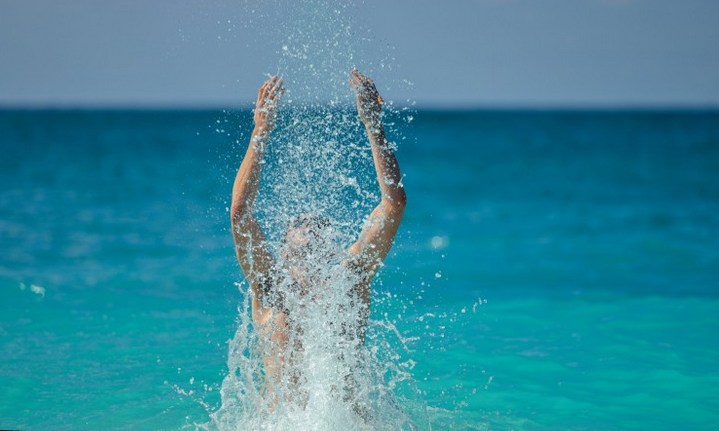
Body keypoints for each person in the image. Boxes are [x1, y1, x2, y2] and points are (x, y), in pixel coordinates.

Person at [230, 70, 406, 402]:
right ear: (282, 253)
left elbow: (393, 204)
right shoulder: (269, 289)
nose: (311, 232)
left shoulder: (350, 283)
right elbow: (241, 213)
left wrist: (373, 126)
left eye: (319, 235)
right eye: (300, 233)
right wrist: (260, 132)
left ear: (334, 250)